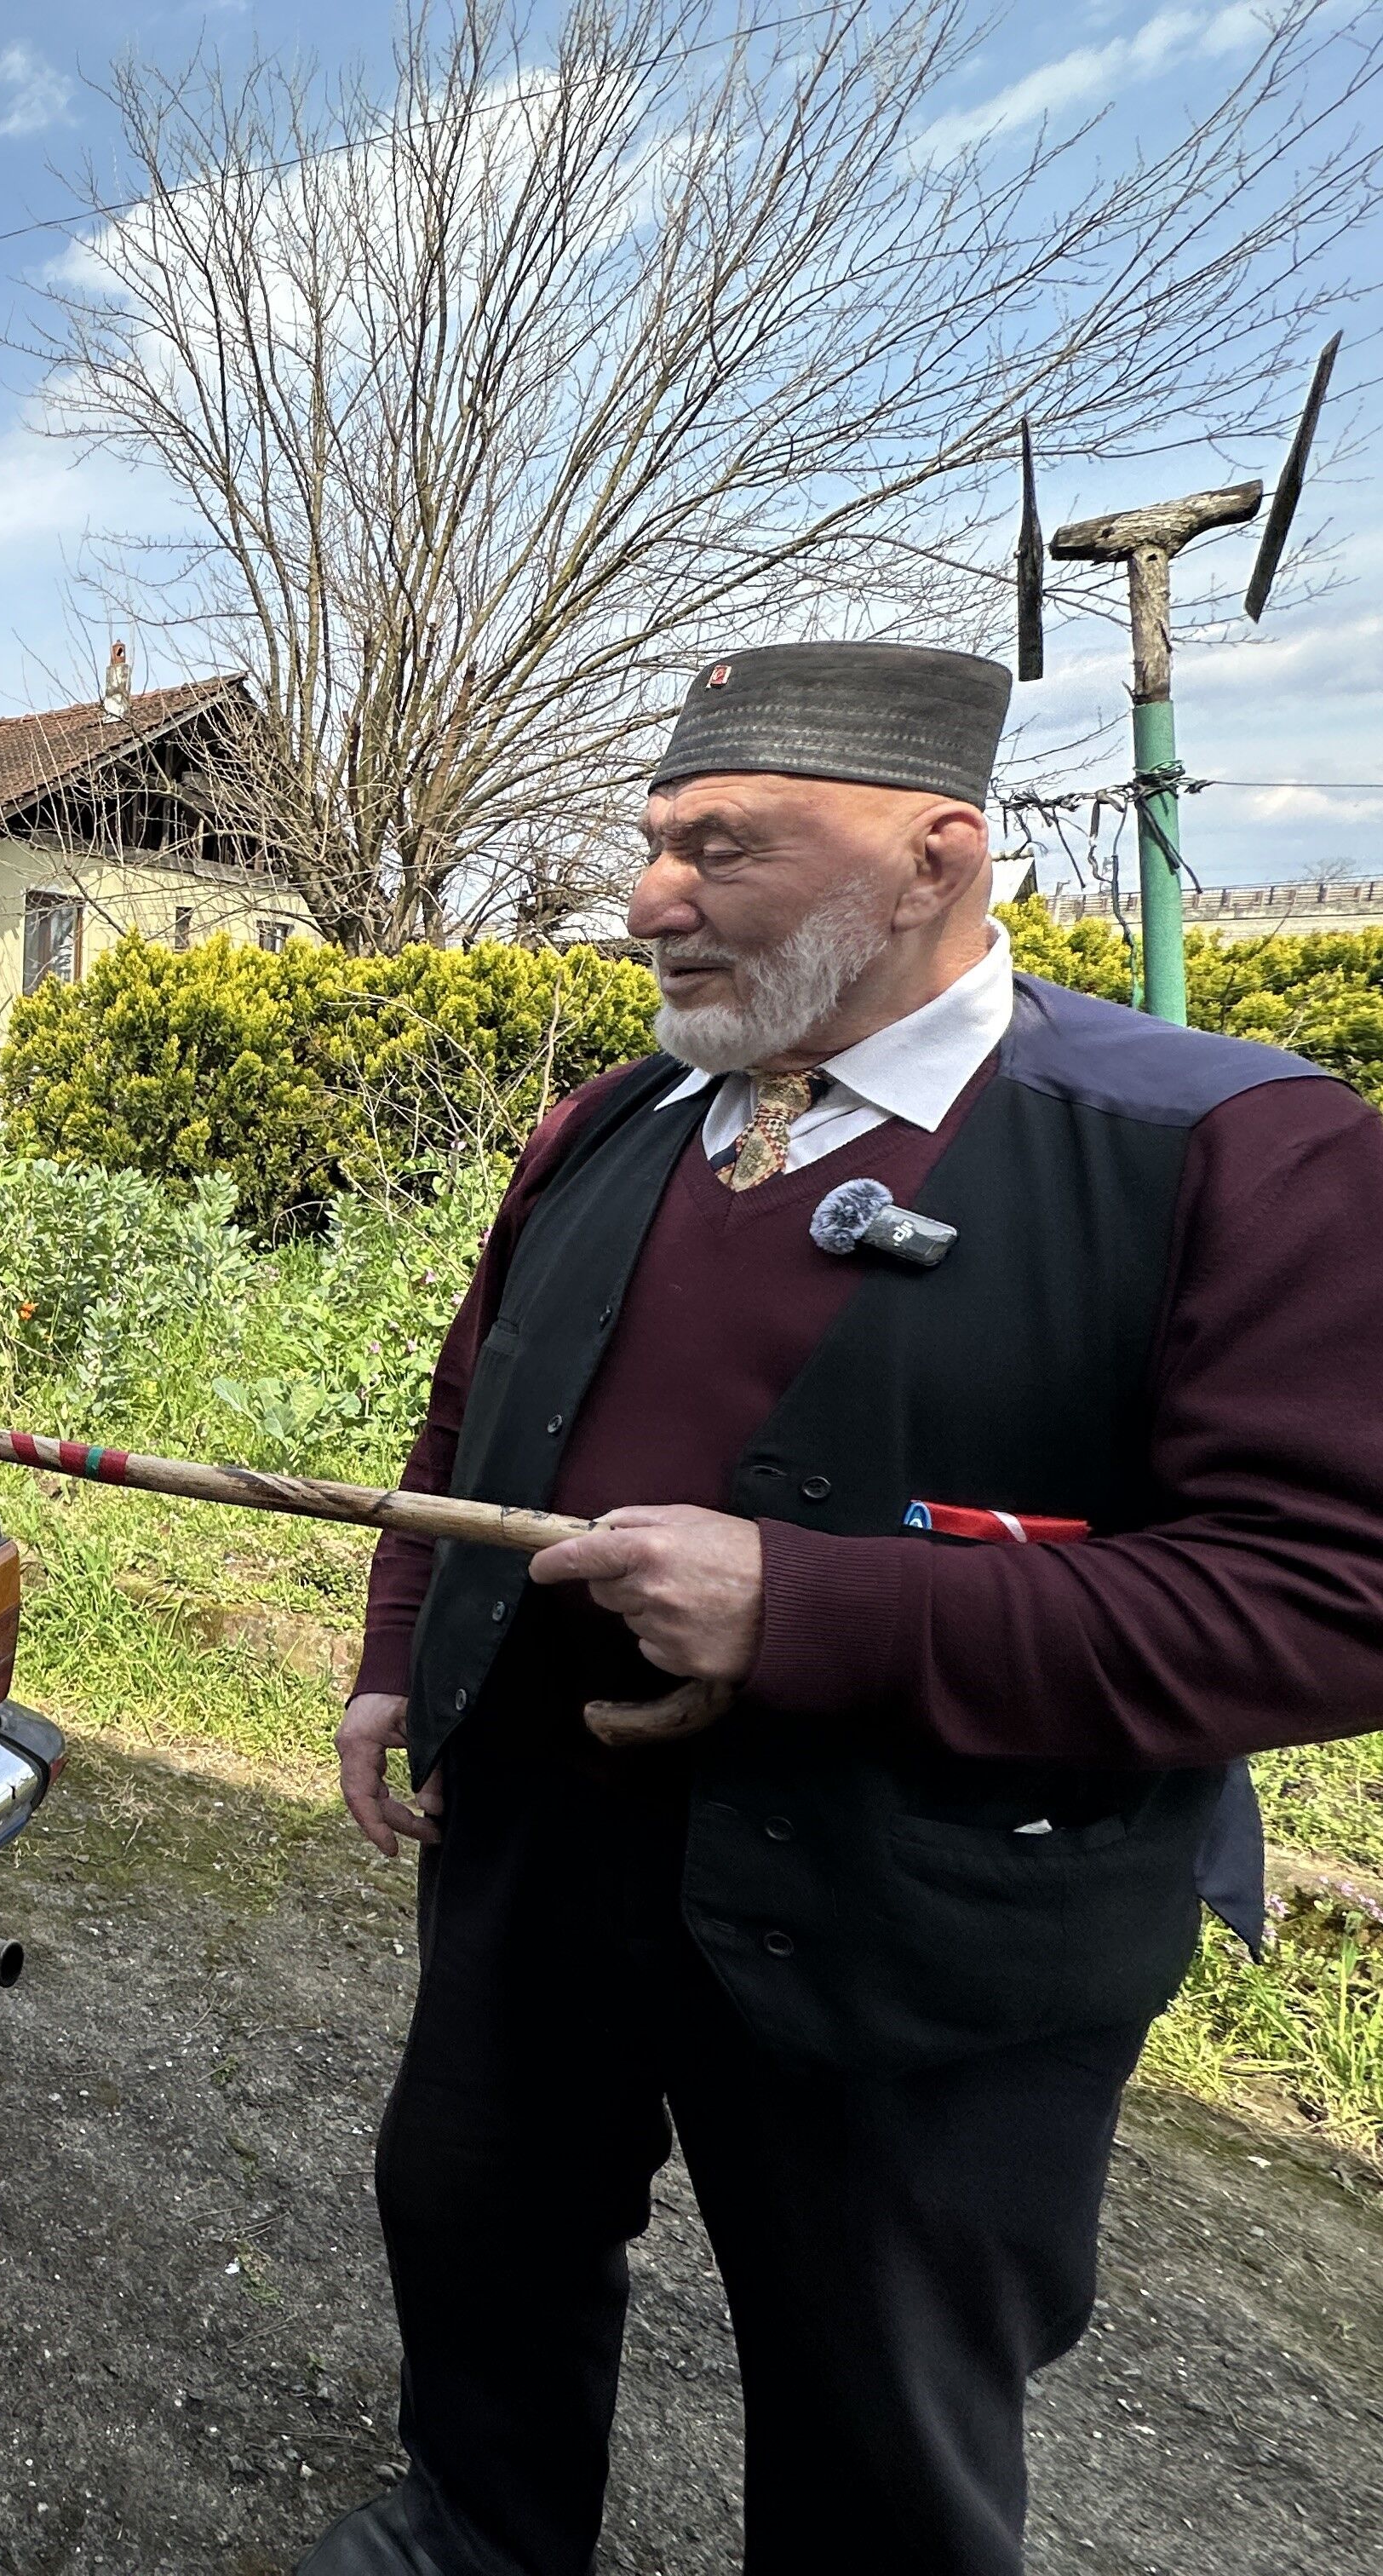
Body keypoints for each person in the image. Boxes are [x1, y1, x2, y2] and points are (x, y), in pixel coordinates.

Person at [297, 642, 1383, 2576]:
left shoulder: (1230, 1150)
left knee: (879, 2379)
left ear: (935, 853)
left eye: (722, 848)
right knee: (475, 2222)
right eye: (649, 846)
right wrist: (398, 1661)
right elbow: (468, 1415)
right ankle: (474, 2537)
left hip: (933, 1906)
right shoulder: (611, 1128)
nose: (650, 902)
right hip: (544, 1850)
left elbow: (1329, 1593)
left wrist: (811, 1610)